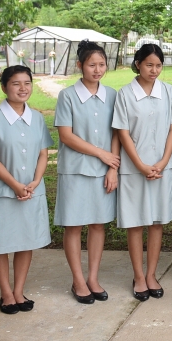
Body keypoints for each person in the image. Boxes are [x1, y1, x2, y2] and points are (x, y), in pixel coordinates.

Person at [114, 44, 172, 301]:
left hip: (164, 168)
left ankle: (152, 274)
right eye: (149, 65)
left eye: (158, 65)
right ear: (138, 64)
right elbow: (123, 133)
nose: (154, 70)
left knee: (156, 223)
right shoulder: (125, 94)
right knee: (135, 223)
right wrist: (141, 165)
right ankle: (138, 275)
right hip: (134, 170)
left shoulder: (169, 92)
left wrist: (164, 161)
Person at [54, 40, 119, 304]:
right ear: (80, 65)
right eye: (91, 65)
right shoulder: (67, 96)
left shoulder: (113, 95)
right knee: (74, 225)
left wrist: (112, 167)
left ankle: (93, 278)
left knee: (98, 224)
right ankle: (78, 280)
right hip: (75, 170)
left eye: (102, 64)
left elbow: (117, 132)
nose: (97, 69)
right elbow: (66, 136)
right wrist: (101, 153)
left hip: (104, 171)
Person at [0, 65, 52, 314]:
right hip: (3, 192)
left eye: (27, 83)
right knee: (0, 244)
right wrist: (15, 184)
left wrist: (35, 180)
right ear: (4, 87)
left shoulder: (36, 117)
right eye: (16, 83)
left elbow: (43, 152)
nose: (23, 88)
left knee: (27, 241)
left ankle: (19, 291)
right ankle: (5, 293)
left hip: (32, 191)